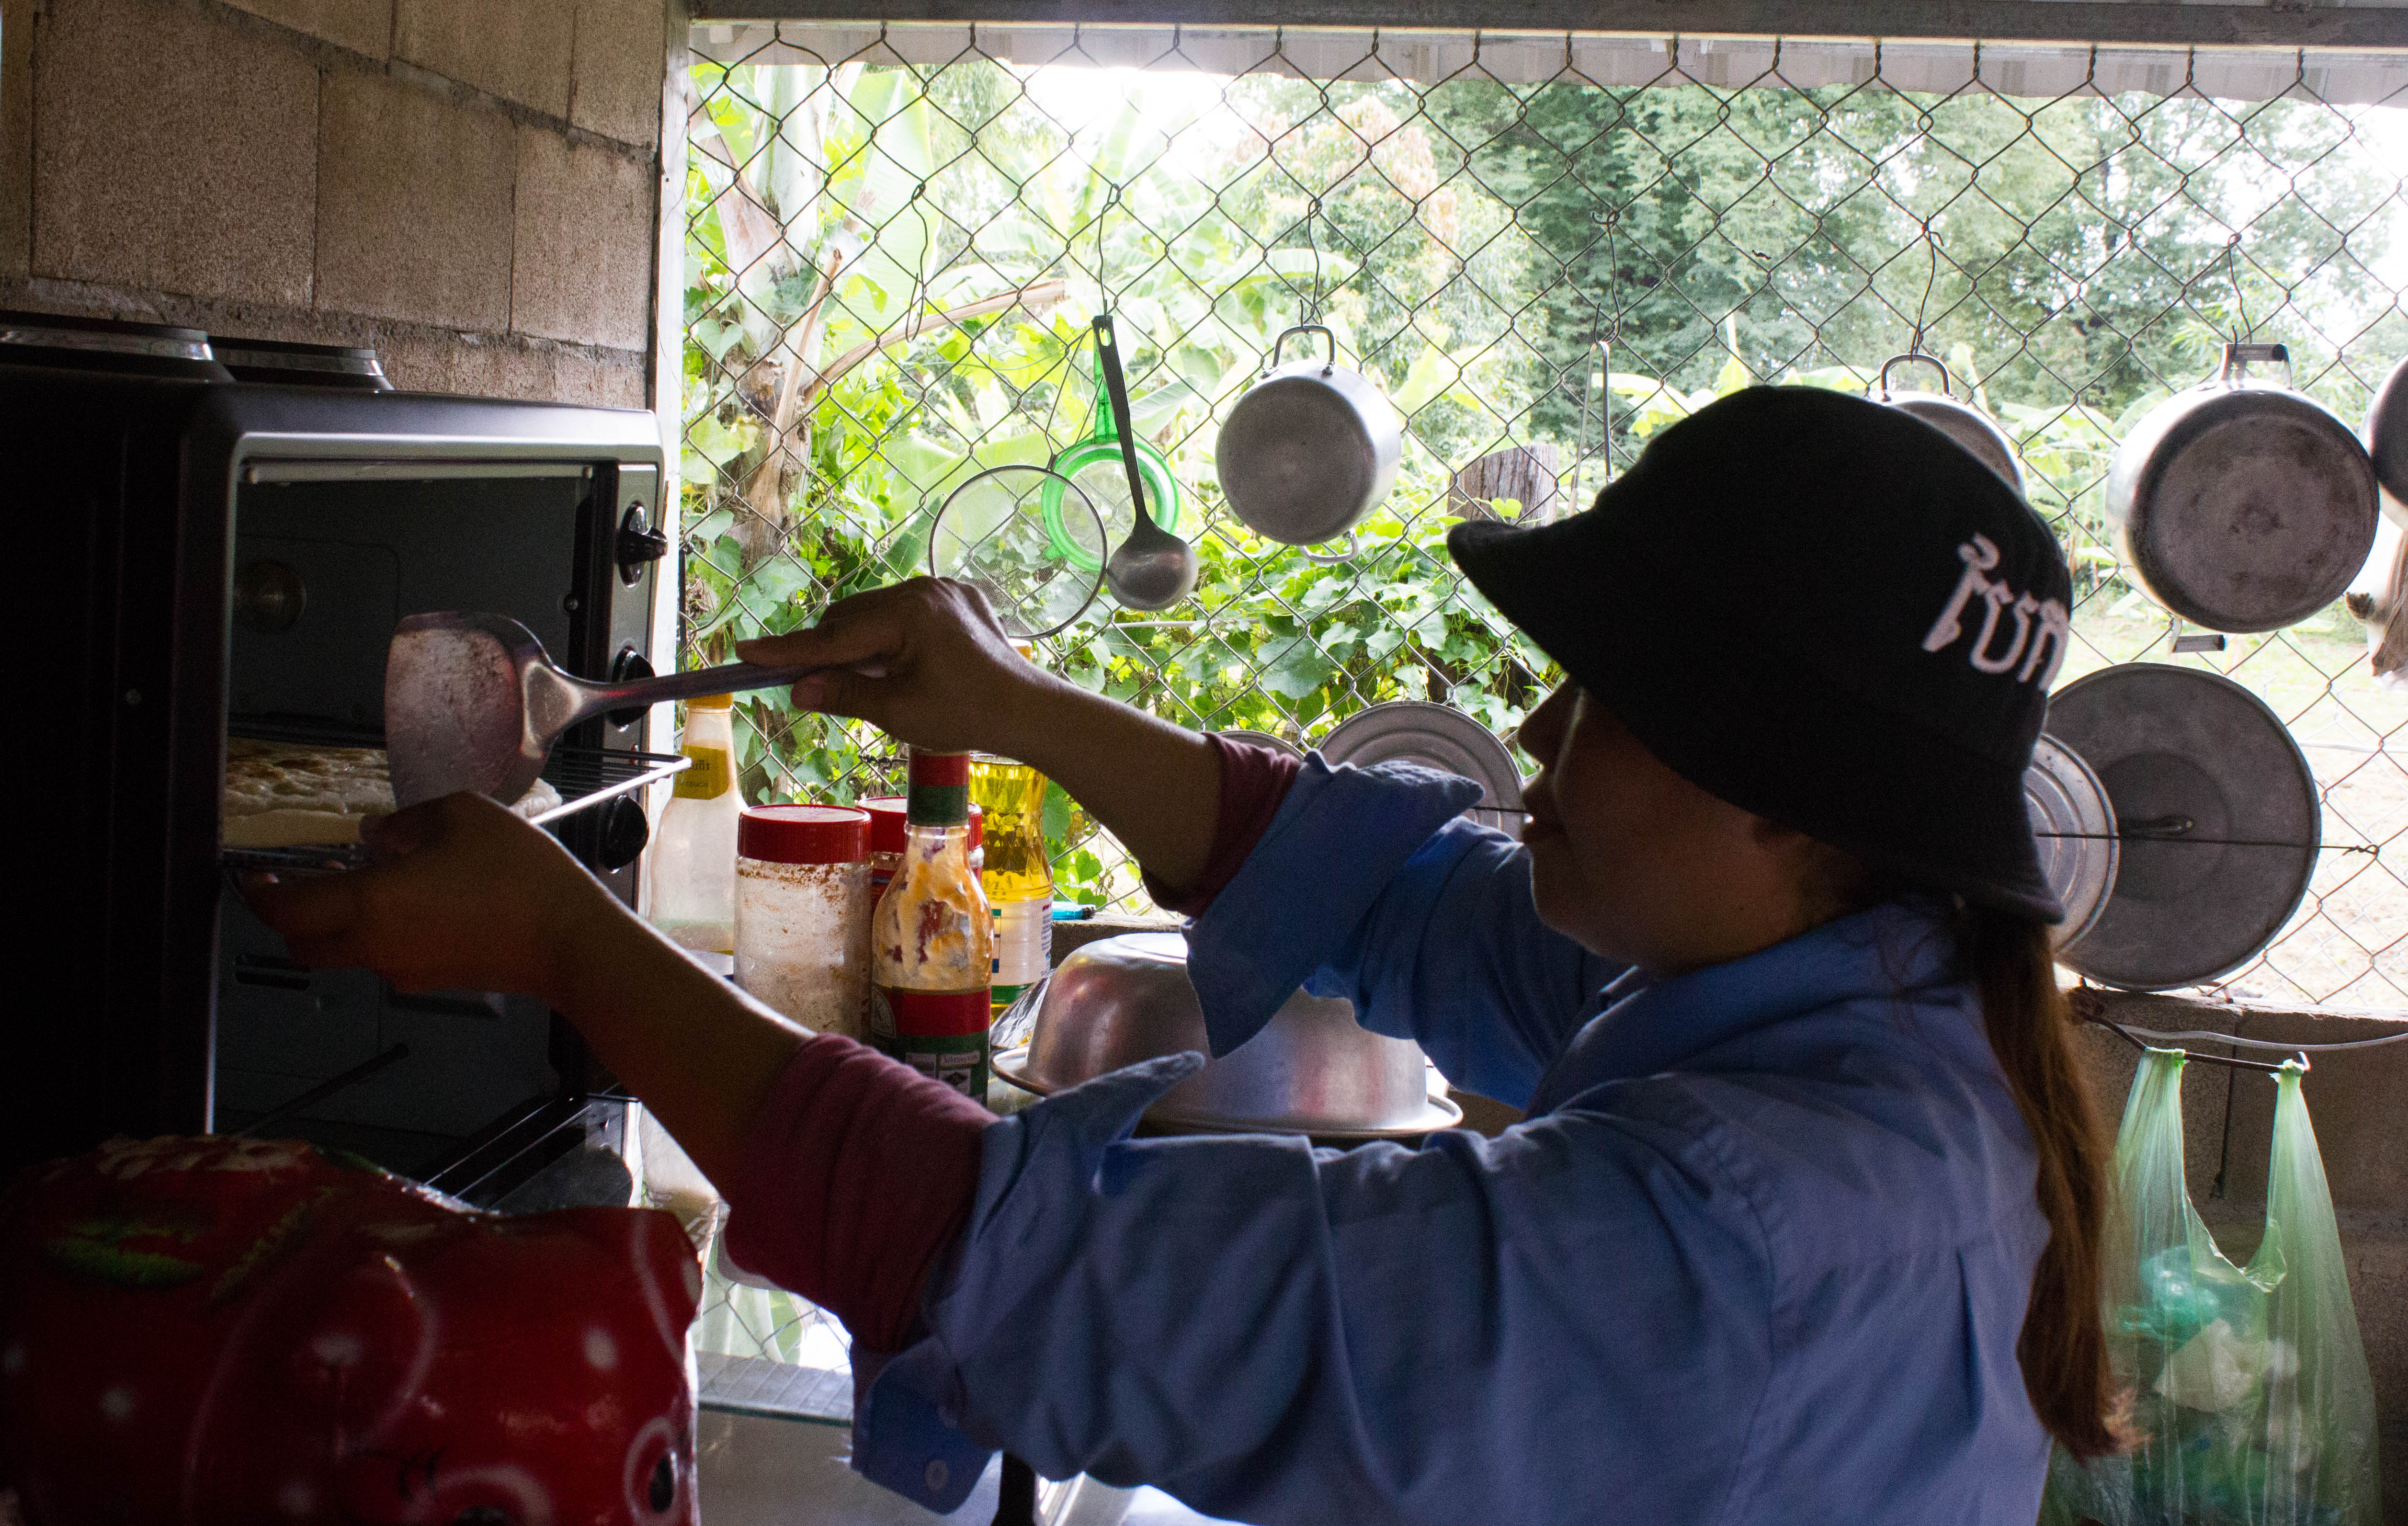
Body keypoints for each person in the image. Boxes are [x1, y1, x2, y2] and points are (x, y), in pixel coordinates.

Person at [248, 387, 2118, 1525]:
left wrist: (566, 941)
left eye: (1605, 706)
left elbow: (1063, 1269)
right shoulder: (1880, 997)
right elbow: (1405, 890)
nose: (1538, 739)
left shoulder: (1732, 1223)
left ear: (1781, 799)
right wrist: (1015, 703)